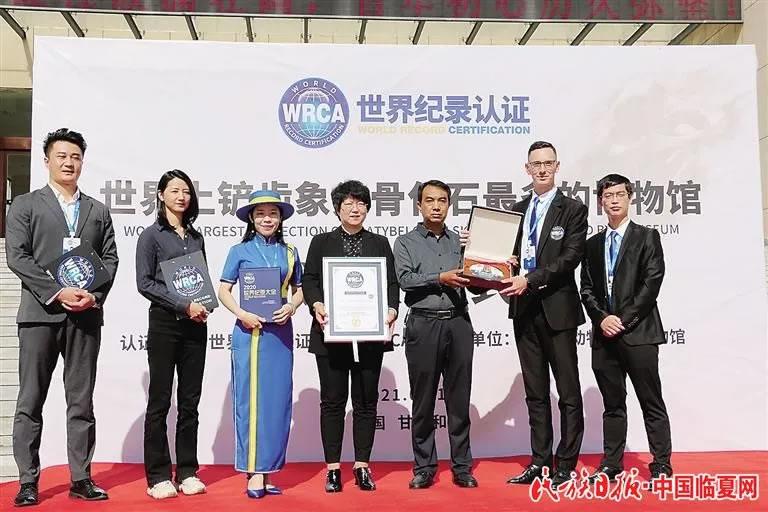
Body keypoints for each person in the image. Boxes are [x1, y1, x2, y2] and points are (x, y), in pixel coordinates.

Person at [6, 128, 119, 506]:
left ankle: (81, 478)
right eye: (62, 156)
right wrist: (57, 291)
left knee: (81, 402)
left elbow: (110, 258)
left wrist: (94, 295)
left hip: (85, 318)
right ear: (47, 161)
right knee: (30, 400)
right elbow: (17, 256)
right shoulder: (26, 205)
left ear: (82, 162)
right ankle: (28, 481)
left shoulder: (97, 210)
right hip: (39, 315)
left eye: (75, 157)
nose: (69, 163)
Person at [302, 180, 399, 493]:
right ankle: (332, 469)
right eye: (348, 204)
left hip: (370, 335)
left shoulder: (379, 243)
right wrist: (316, 304)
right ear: (337, 208)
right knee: (332, 402)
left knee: (366, 402)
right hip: (330, 333)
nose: (355, 209)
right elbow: (309, 280)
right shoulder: (321, 242)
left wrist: (391, 310)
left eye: (361, 204)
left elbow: (391, 283)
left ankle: (362, 465)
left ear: (368, 208)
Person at [503, 141, 587, 489]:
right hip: (524, 310)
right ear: (527, 169)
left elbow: (570, 258)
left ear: (557, 166)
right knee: (535, 393)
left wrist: (530, 279)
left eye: (548, 163)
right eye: (536, 164)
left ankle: (565, 464)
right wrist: (492, 261)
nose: (542, 169)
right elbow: (508, 256)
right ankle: (539, 461)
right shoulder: (517, 210)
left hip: (558, 310)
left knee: (568, 391)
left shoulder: (573, 209)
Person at [580, 174, 672, 482]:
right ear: (601, 202)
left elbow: (651, 284)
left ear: (630, 197)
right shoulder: (592, 245)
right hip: (604, 337)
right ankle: (611, 463)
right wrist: (602, 319)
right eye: (608, 196)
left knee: (651, 401)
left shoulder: (647, 237)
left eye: (620, 194)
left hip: (639, 333)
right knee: (613, 405)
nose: (614, 200)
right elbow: (586, 288)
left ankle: (661, 464)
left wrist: (622, 320)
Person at [218, 190, 304, 499]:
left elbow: (300, 289)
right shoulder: (239, 251)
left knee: (276, 402)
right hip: (250, 333)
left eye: (273, 213)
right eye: (261, 214)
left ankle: (268, 470)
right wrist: (242, 314)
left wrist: (291, 306)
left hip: (280, 334)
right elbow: (224, 290)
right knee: (251, 401)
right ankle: (253, 472)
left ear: (280, 219)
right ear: (252, 219)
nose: (267, 219)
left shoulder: (290, 252)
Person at [393, 179, 479, 490]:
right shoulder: (405, 242)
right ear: (419, 205)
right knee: (423, 400)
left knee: (459, 399)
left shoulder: (461, 241)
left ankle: (462, 467)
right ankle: (424, 467)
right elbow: (405, 279)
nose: (436, 206)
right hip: (423, 324)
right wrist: (440, 278)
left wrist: (496, 266)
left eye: (442, 200)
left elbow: (477, 282)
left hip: (458, 323)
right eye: (429, 200)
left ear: (449, 205)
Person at [135, 169, 209, 499]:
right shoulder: (151, 236)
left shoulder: (196, 237)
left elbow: (201, 280)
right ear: (161, 195)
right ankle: (158, 475)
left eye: (186, 191)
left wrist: (203, 305)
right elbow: (145, 283)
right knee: (160, 401)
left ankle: (188, 471)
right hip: (165, 324)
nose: (181, 196)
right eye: (175, 190)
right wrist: (183, 305)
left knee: (190, 402)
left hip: (196, 326)